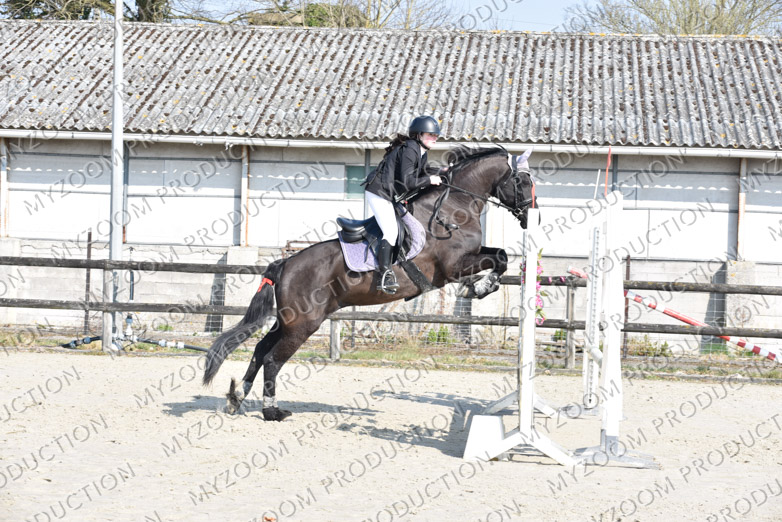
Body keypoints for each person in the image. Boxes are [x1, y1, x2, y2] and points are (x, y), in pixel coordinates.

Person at [363, 115, 445, 295]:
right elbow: (409, 181)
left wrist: (443, 171)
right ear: (419, 135)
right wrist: (430, 180)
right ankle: (384, 275)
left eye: (436, 135)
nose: (435, 138)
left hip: (389, 194)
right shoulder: (410, 149)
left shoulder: (421, 152)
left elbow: (421, 173)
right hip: (379, 192)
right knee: (391, 231)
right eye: (430, 134)